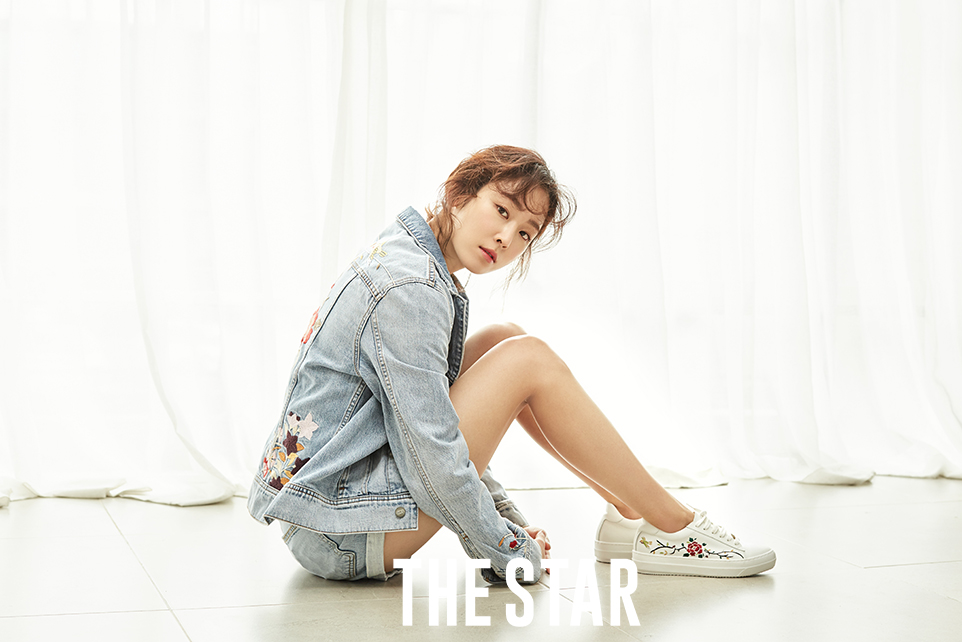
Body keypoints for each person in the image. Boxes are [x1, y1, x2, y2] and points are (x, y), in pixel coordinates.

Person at [247, 145, 775, 583]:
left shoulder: (408, 254)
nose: (507, 238)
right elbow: (432, 455)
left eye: (525, 232)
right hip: (338, 533)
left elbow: (438, 426)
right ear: (459, 193)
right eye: (502, 211)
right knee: (528, 360)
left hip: (325, 509)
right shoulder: (411, 289)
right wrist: (510, 550)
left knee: (507, 340)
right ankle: (673, 525)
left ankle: (628, 516)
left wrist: (507, 524)